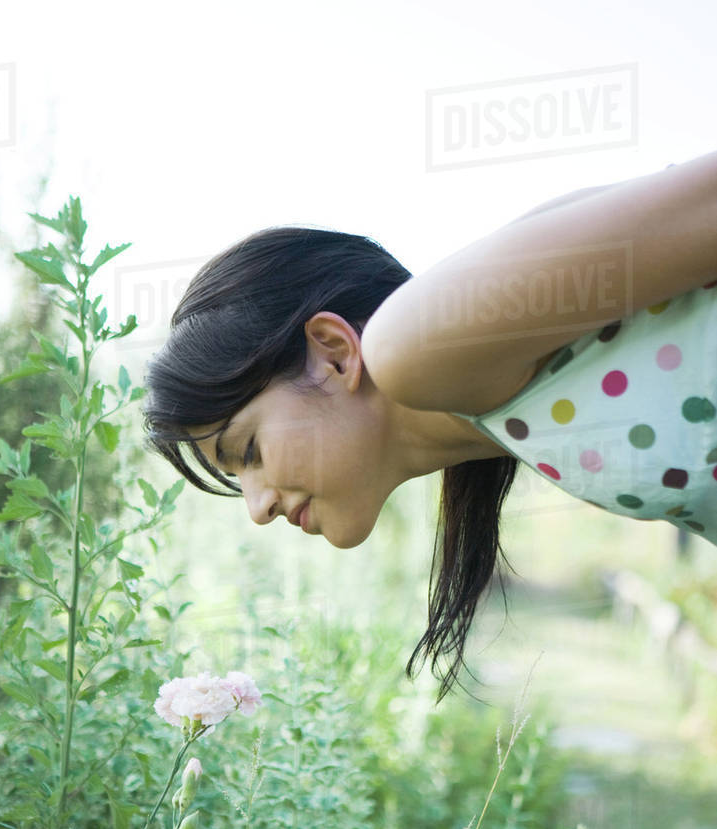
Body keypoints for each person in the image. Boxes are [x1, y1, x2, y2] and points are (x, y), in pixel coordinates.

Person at [143, 149, 717, 699]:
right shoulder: (502, 418)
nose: (257, 507)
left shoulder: (411, 343)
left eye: (249, 450)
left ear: (335, 353)